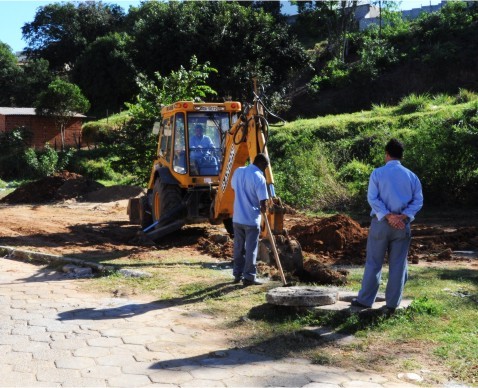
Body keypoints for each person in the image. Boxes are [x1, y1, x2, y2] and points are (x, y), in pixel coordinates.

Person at [352, 138, 423, 313]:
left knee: (374, 262)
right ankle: (392, 303)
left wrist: (388, 216)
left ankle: (365, 300)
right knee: (398, 263)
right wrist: (403, 216)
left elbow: (372, 198)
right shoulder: (412, 176)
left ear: (387, 154)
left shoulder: (377, 173)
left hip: (381, 224)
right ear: (402, 156)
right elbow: (418, 200)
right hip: (402, 225)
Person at [231, 153, 270, 286]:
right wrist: (264, 209)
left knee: (238, 248)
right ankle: (249, 277)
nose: (264, 170)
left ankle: (237, 274)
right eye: (265, 167)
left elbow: (233, 187)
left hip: (237, 218)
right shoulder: (259, 177)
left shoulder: (238, 171)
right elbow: (263, 203)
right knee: (251, 250)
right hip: (251, 220)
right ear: (263, 164)